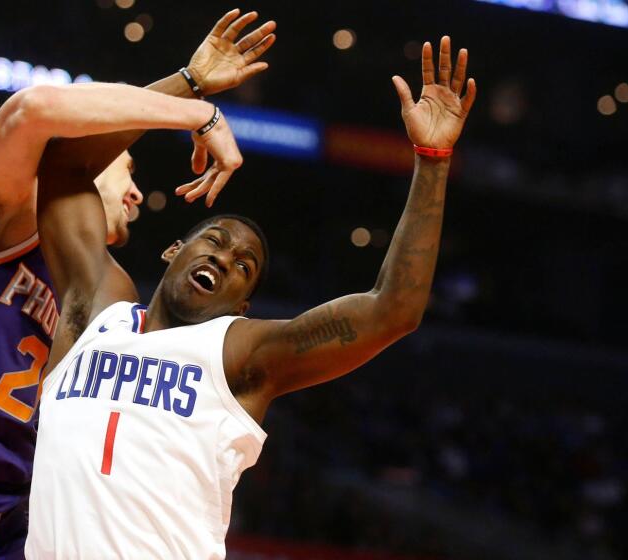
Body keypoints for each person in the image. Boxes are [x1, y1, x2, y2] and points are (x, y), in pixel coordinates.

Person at [25, 36, 477, 559]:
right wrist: (189, 95)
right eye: (214, 242)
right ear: (174, 250)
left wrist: (433, 161)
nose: (223, 259)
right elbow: (64, 164)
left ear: (242, 306)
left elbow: (392, 310)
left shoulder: (238, 353)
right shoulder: (96, 309)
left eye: (245, 266)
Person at [0, 9, 274, 558]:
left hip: (9, 536)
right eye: (130, 170)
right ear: (85, 158)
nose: (139, 195)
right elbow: (35, 110)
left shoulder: (110, 295)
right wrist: (193, 102)